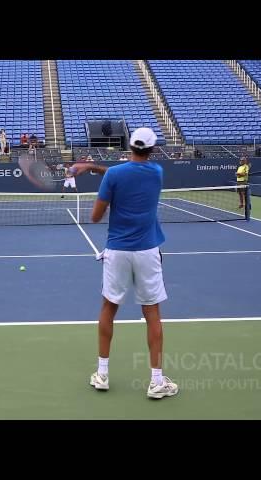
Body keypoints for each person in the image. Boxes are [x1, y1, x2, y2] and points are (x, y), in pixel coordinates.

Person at [72, 127, 178, 399]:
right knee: (151, 312)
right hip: (147, 252)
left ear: (128, 145)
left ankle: (102, 374)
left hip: (117, 252)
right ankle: (156, 381)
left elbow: (96, 216)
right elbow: (126, 173)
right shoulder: (156, 173)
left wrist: (95, 175)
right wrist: (94, 168)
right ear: (152, 149)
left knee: (109, 308)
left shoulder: (116, 176)